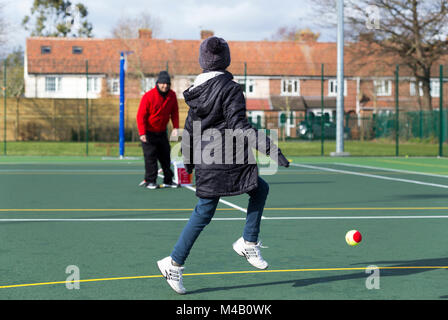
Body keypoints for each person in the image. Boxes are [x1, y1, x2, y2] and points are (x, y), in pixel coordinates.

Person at [157, 36, 290, 294]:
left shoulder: (197, 90)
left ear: (203, 61)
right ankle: (175, 262)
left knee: (246, 194)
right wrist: (271, 148)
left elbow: (189, 129)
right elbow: (240, 127)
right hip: (226, 159)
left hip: (214, 159)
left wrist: (190, 161)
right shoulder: (230, 89)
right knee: (221, 204)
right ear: (226, 59)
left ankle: (245, 243)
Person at [136, 71, 179, 189]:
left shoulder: (172, 95)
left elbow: (174, 112)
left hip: (162, 132)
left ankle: (168, 180)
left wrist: (175, 127)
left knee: (166, 157)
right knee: (151, 158)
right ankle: (150, 181)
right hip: (149, 133)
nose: (165, 86)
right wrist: (142, 133)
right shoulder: (148, 96)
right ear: (158, 83)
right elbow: (141, 116)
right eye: (162, 83)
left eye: (167, 84)